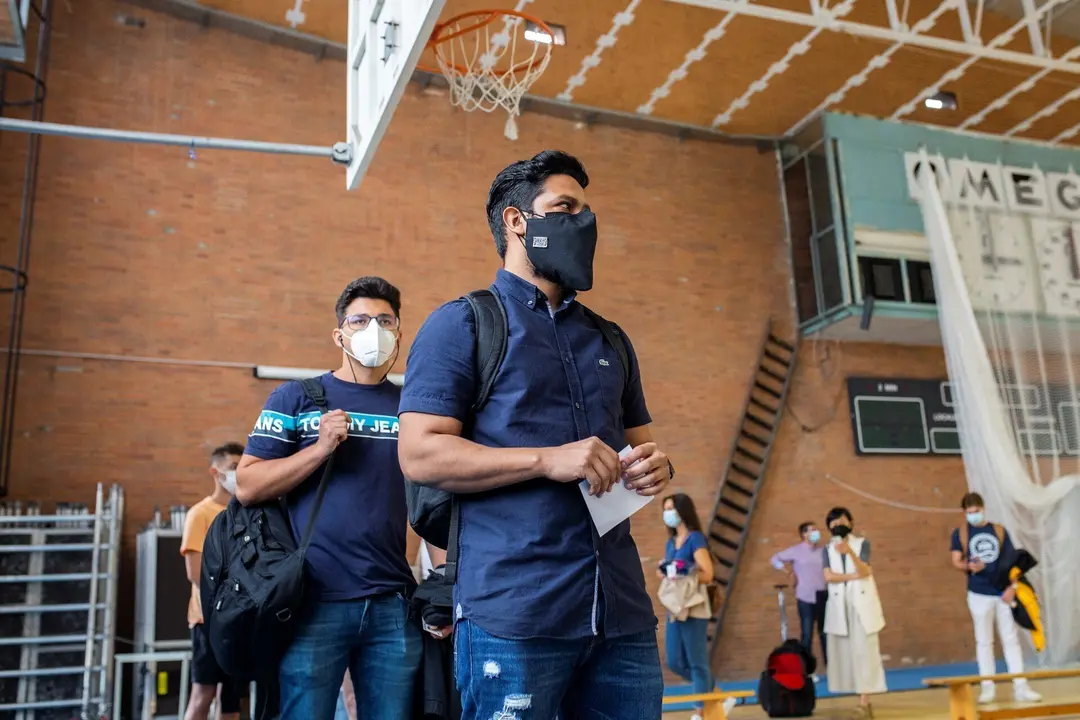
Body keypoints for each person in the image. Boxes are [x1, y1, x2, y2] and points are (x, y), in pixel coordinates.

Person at [398, 150, 672, 720]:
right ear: (517, 222)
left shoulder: (609, 339)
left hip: (619, 616)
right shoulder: (463, 323)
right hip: (515, 618)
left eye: (586, 210)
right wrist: (548, 460)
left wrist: (654, 470)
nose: (582, 223)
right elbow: (420, 453)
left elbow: (642, 447)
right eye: (565, 208)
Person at [235, 277, 421, 720]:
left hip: (391, 600)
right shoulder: (297, 397)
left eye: (384, 320)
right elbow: (247, 485)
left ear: (398, 331)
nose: (373, 328)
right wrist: (318, 450)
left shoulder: (412, 408)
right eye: (359, 320)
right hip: (311, 601)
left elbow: (435, 498)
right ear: (340, 334)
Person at [950, 492, 1042, 705]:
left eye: (977, 511)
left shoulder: (999, 531)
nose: (973, 515)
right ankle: (987, 687)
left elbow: (1012, 561)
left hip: (1002, 592)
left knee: (1011, 639)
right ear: (964, 512)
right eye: (969, 513)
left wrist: (1012, 586)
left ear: (983, 508)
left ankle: (1021, 686)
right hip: (978, 593)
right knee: (984, 641)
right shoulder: (961, 533)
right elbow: (955, 560)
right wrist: (968, 566)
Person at [180, 443, 245, 720]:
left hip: (237, 622)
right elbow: (195, 574)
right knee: (203, 695)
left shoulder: (243, 512)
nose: (237, 473)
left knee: (231, 701)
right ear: (215, 472)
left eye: (241, 467)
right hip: (208, 621)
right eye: (232, 468)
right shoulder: (200, 514)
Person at [657, 493, 720, 720]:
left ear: (682, 511)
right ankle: (713, 692)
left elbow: (708, 573)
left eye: (671, 508)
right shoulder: (670, 543)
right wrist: (666, 570)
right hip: (675, 606)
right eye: (665, 509)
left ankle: (699, 712)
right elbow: (670, 572)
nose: (668, 514)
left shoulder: (695, 539)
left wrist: (684, 570)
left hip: (693, 606)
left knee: (697, 661)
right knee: (674, 661)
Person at [821, 507, 886, 717]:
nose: (837, 524)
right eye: (833, 522)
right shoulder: (827, 549)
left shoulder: (861, 543)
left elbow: (865, 570)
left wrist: (849, 551)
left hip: (861, 602)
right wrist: (853, 576)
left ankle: (864, 701)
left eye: (841, 520)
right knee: (845, 653)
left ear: (850, 522)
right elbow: (828, 576)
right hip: (840, 604)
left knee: (864, 651)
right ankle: (857, 698)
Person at [771, 521, 827, 671]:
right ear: (804, 534)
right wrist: (788, 572)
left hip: (823, 594)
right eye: (812, 530)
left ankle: (830, 666)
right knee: (807, 633)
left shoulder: (824, 551)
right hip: (805, 596)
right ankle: (806, 669)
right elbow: (775, 559)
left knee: (825, 633)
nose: (816, 532)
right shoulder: (796, 551)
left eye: (817, 530)